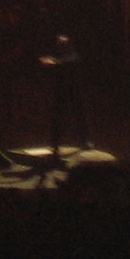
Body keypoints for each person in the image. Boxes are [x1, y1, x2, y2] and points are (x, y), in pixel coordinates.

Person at [41, 32, 88, 163]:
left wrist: (55, 62)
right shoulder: (57, 55)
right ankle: (55, 145)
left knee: (78, 115)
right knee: (57, 117)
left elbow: (71, 61)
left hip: (73, 91)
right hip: (60, 91)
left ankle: (84, 141)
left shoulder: (72, 56)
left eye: (63, 43)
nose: (60, 45)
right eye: (59, 43)